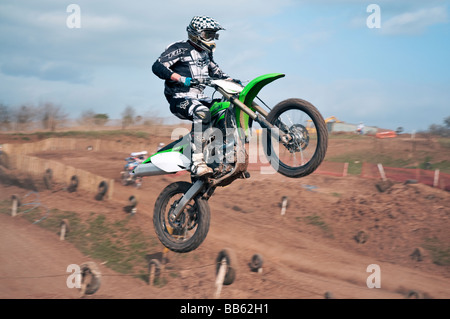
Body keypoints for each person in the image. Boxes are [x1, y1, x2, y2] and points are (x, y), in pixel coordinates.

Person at [152, 16, 232, 177]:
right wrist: (180, 78)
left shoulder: (206, 54)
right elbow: (157, 66)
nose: (212, 38)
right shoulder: (180, 48)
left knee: (227, 109)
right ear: (196, 34)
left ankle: (222, 154)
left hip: (200, 97)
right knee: (202, 112)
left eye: (214, 35)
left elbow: (219, 74)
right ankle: (197, 162)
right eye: (208, 34)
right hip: (179, 98)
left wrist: (237, 83)